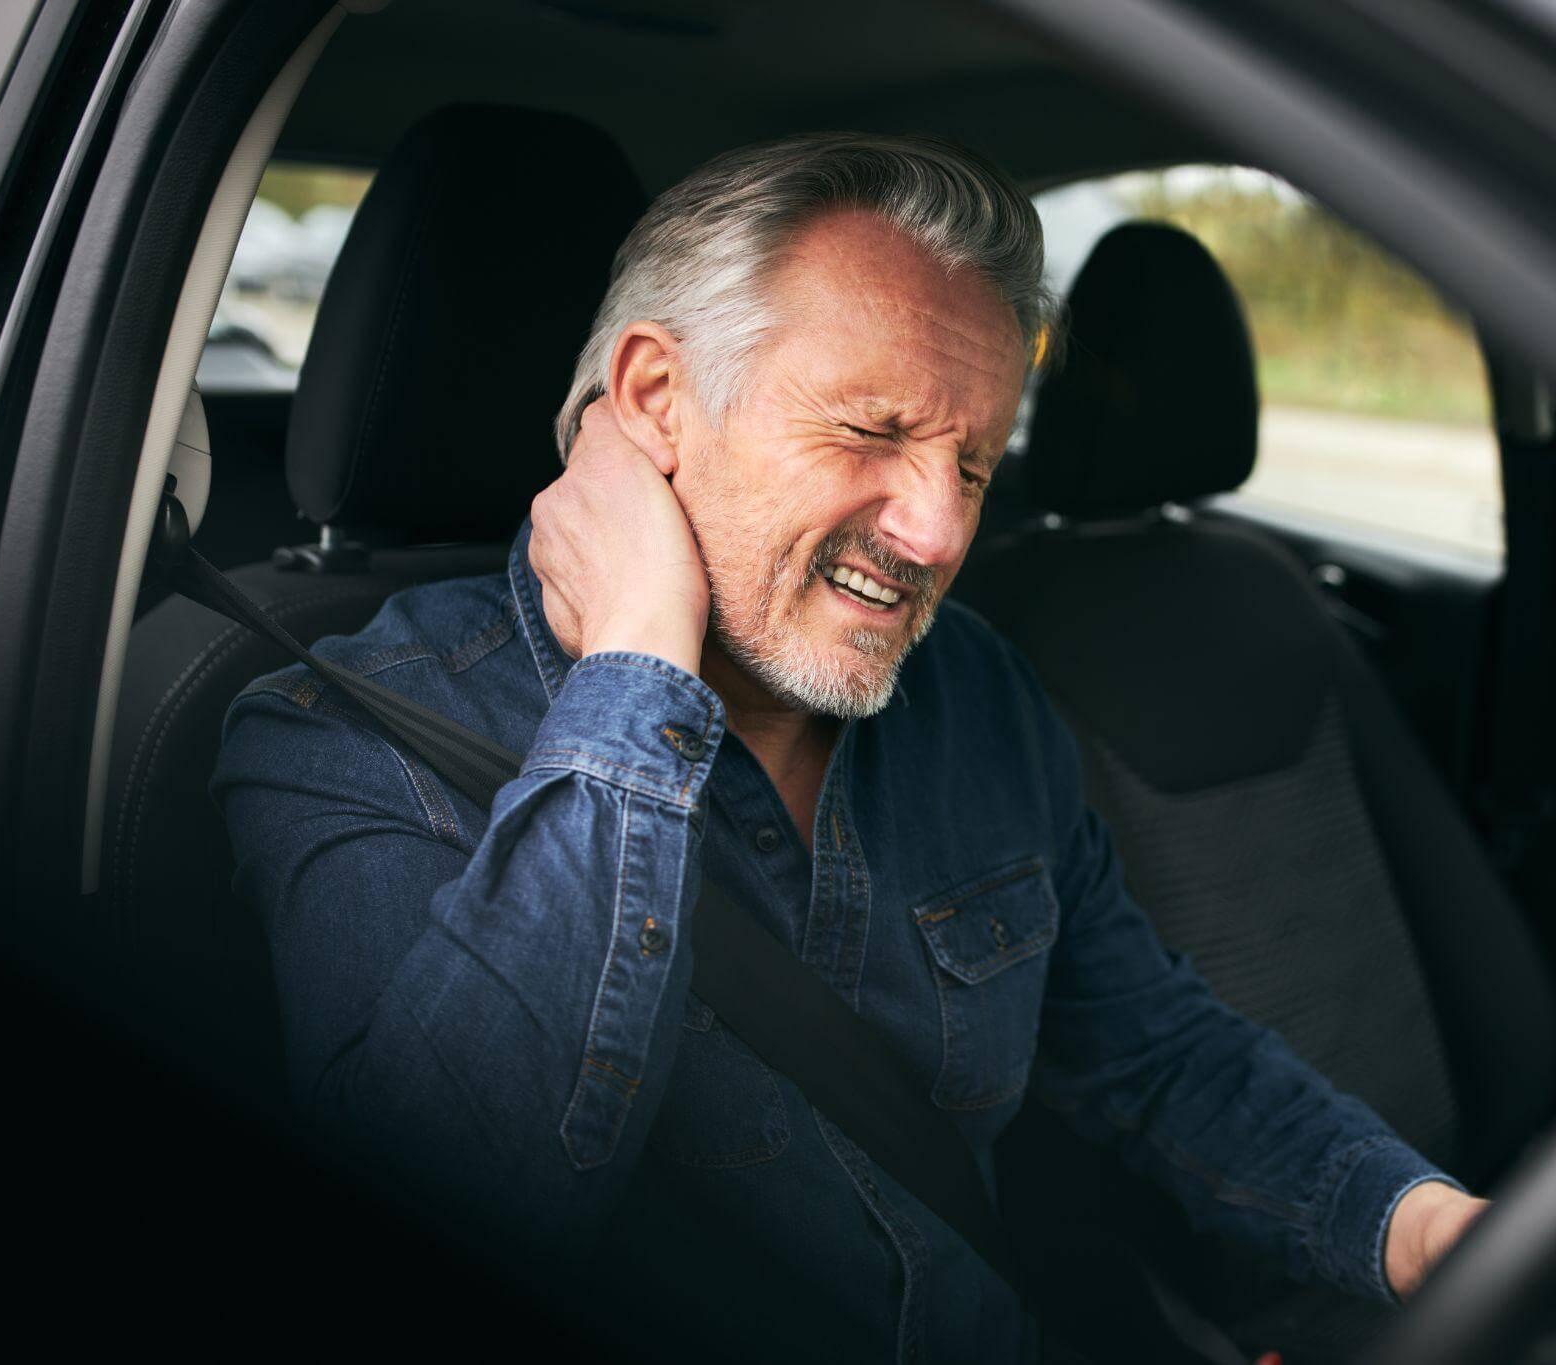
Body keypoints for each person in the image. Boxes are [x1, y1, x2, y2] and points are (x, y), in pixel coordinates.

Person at [213, 132, 1485, 1363]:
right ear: (654, 401)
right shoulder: (347, 737)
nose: (935, 533)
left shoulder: (973, 699)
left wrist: (1424, 1229)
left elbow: (1158, 1055)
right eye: (871, 431)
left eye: (976, 465)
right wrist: (640, 668)